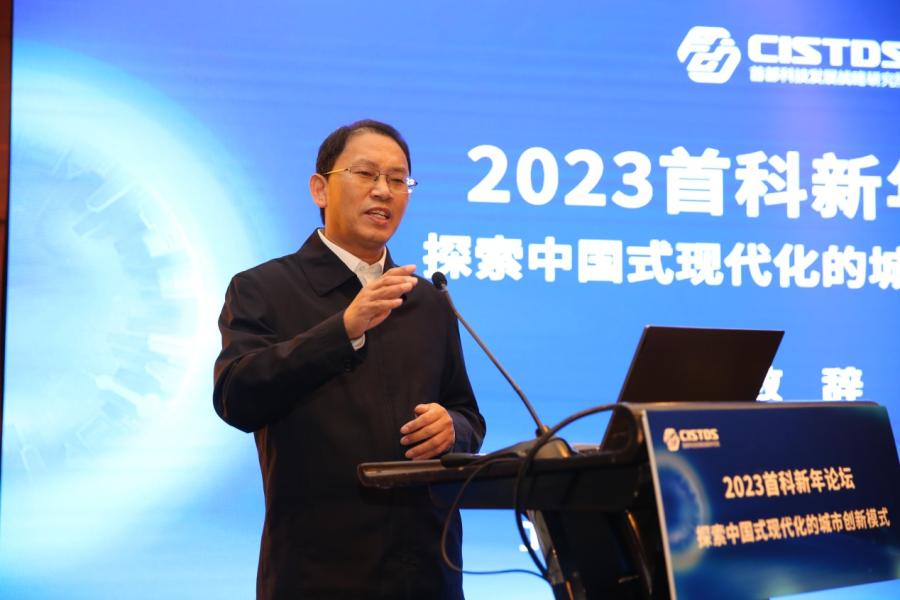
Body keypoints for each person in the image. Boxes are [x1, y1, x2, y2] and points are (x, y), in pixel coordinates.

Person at [213, 119, 486, 599]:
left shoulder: (427, 300)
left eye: (397, 179)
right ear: (320, 189)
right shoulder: (263, 289)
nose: (383, 191)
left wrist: (453, 429)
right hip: (318, 574)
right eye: (365, 174)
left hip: (428, 571)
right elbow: (236, 397)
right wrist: (342, 330)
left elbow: (467, 413)